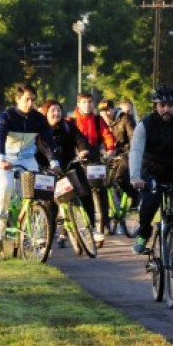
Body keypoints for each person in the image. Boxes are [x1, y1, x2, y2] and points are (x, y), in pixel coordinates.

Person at [129, 86, 173, 287]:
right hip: (151, 173)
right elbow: (135, 151)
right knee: (150, 204)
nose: (166, 110)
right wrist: (135, 176)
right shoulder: (145, 125)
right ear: (155, 106)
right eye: (162, 105)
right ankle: (144, 232)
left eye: (170, 105)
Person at [0, 84, 58, 244]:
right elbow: (0, 138)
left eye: (33, 100)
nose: (30, 103)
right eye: (27, 99)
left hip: (28, 158)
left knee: (38, 193)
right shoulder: (6, 116)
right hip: (6, 158)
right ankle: (0, 223)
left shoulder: (38, 118)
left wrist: (54, 161)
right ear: (18, 99)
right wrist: (1, 159)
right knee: (6, 187)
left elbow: (48, 141)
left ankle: (36, 230)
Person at [40, 100, 92, 248]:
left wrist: (83, 150)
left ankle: (91, 228)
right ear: (45, 114)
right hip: (49, 169)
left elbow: (80, 139)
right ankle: (47, 237)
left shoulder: (68, 126)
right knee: (50, 205)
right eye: (52, 111)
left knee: (85, 193)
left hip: (70, 164)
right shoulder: (41, 130)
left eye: (58, 110)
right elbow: (40, 149)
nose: (56, 113)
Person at [68, 92, 116, 246]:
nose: (87, 105)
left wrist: (110, 149)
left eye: (90, 102)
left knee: (100, 190)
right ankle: (65, 230)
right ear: (78, 104)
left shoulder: (97, 120)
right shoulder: (71, 121)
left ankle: (102, 225)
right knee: (75, 194)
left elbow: (107, 135)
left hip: (95, 159)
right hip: (76, 159)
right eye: (84, 102)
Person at [100, 97, 138, 209]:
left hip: (126, 153)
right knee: (104, 180)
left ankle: (135, 196)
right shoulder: (102, 122)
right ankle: (111, 207)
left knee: (119, 177)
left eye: (108, 110)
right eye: (102, 111)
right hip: (109, 155)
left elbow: (133, 137)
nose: (106, 114)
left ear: (114, 109)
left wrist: (131, 152)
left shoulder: (125, 118)